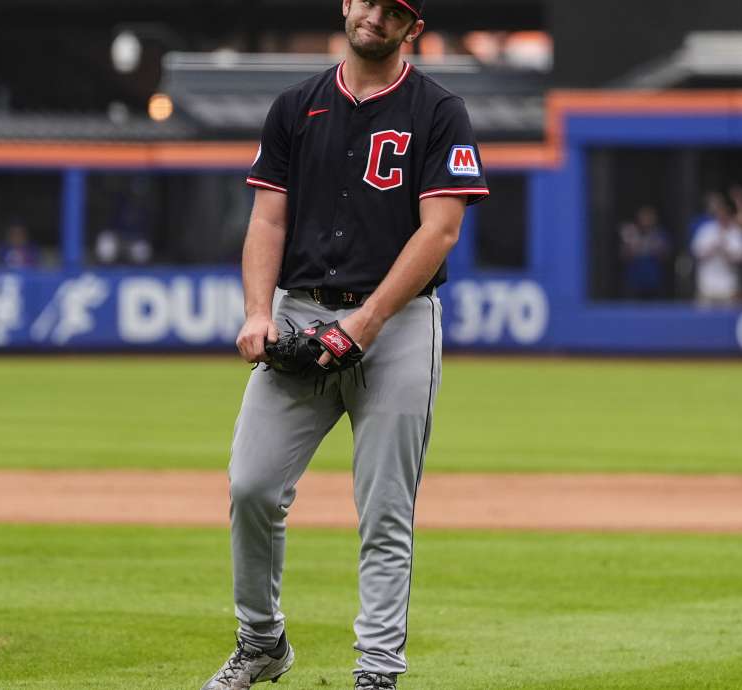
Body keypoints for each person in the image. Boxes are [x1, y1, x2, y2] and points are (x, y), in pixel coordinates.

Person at [202, 2, 488, 689]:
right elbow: (268, 218)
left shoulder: (439, 110)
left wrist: (370, 321)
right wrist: (256, 313)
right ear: (346, 4)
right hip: (300, 315)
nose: (376, 15)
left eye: (396, 9)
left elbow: (440, 232)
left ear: (412, 27)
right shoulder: (297, 106)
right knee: (252, 486)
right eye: (369, 0)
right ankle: (262, 642)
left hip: (398, 325)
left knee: (386, 507)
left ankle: (378, 671)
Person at [691, 195, 742, 307]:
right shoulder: (706, 230)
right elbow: (696, 254)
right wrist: (714, 247)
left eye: (725, 214)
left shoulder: (737, 232)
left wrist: (727, 253)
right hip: (707, 285)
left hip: (728, 286)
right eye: (720, 213)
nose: (722, 216)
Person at [618, 205, 670, 300]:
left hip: (654, 282)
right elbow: (623, 256)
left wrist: (653, 246)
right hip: (634, 282)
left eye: (649, 217)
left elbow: (665, 256)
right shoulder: (631, 233)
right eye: (643, 217)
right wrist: (634, 245)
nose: (646, 220)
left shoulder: (659, 234)